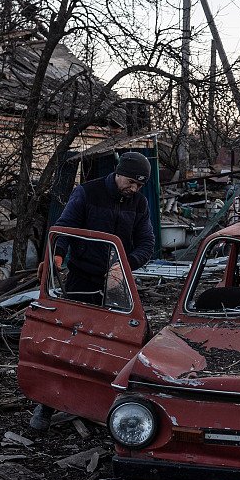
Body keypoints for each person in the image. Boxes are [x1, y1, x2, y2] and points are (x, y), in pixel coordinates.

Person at [30, 151, 156, 431]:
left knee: (121, 341)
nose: (134, 189)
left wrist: (124, 265)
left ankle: (113, 404)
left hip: (116, 282)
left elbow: (147, 243)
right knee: (68, 341)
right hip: (81, 278)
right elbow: (64, 226)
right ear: (119, 172)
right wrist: (57, 256)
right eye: (132, 183)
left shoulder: (139, 202)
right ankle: (47, 404)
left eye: (139, 185)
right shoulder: (87, 192)